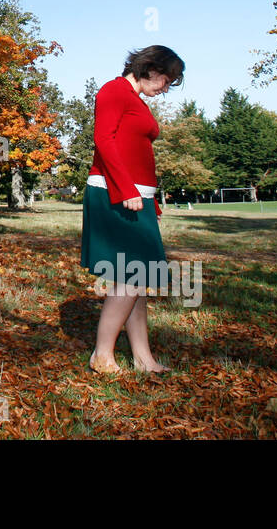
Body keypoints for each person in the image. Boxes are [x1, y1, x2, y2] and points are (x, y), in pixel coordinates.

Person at [80, 44, 185, 375]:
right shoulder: (114, 90)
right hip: (113, 193)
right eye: (166, 80)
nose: (166, 88)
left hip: (137, 197)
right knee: (132, 275)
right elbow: (103, 140)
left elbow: (135, 149)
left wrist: (149, 197)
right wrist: (126, 188)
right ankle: (102, 355)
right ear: (150, 69)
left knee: (138, 278)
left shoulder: (135, 100)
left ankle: (143, 358)